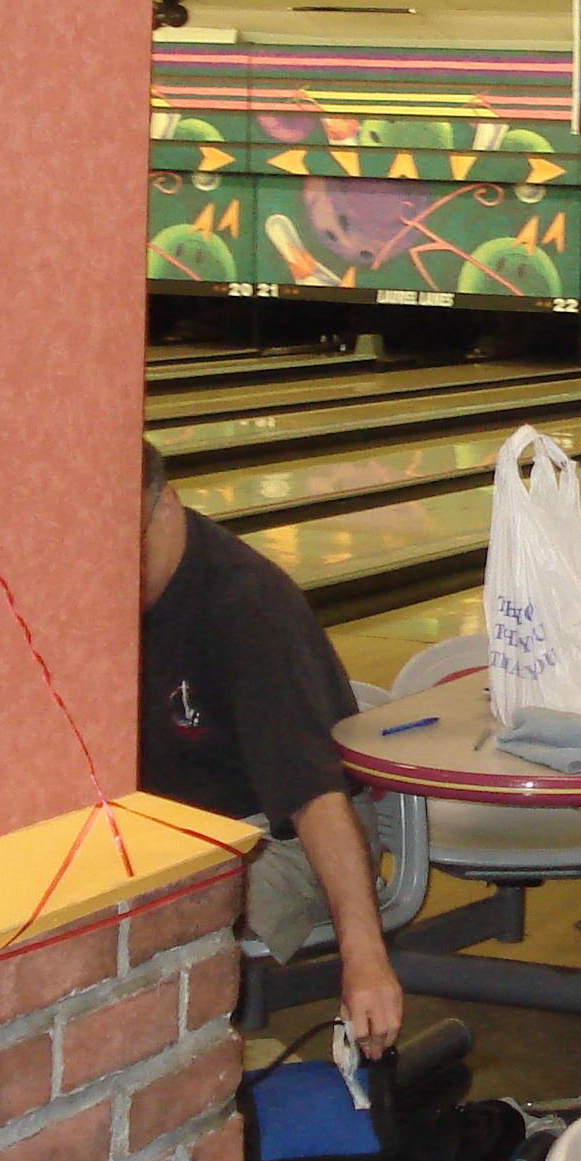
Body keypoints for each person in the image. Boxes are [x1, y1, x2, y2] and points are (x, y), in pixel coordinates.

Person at [140, 441, 403, 1057]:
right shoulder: (91, 595)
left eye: (124, 544)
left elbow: (314, 797)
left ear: (165, 505)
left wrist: (365, 959)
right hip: (173, 837)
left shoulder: (247, 607)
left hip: (283, 838)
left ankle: (202, 1076)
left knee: (162, 928)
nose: (103, 570)